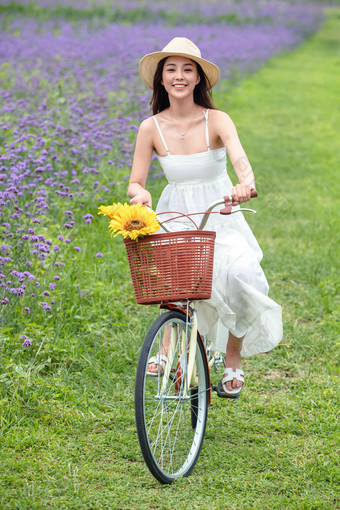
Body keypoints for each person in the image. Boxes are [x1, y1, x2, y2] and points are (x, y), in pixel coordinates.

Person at [128, 37, 282, 398]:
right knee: (177, 278)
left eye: (187, 70)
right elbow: (135, 182)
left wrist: (245, 184)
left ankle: (233, 359)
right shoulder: (150, 127)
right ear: (161, 80)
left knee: (242, 274)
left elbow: (240, 160)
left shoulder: (217, 119)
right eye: (171, 70)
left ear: (199, 79)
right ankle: (166, 352)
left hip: (220, 209)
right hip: (174, 210)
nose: (179, 76)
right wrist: (142, 195)